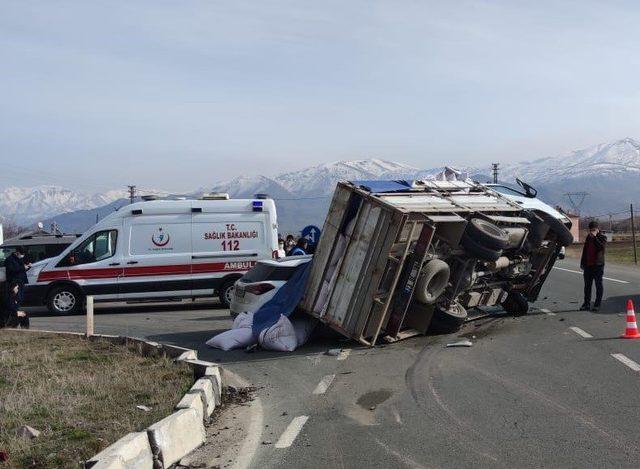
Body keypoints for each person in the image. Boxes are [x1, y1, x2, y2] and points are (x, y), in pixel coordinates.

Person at [580, 221, 607, 312]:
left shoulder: (602, 237)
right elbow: (585, 250)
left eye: (594, 230)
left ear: (597, 229)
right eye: (591, 230)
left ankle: (597, 304)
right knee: (587, 285)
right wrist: (582, 262)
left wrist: (595, 237)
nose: (592, 232)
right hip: (588, 265)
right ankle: (586, 304)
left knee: (598, 284)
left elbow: (601, 247)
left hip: (598, 265)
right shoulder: (588, 238)